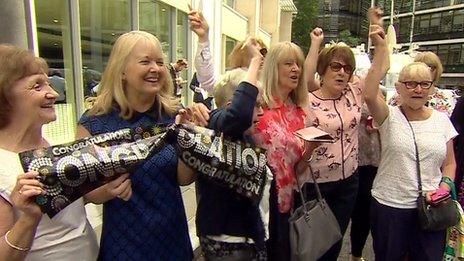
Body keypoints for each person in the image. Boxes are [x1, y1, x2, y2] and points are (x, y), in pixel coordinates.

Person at [76, 31, 208, 260]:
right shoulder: (93, 122)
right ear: (122, 70)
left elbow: (184, 179)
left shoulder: (174, 115)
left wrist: (191, 140)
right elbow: (84, 192)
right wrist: (107, 191)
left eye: (159, 62)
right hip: (123, 244)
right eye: (145, 61)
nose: (155, 68)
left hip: (172, 240)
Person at [364, 22, 457, 260]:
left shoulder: (442, 121)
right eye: (411, 84)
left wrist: (444, 187)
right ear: (399, 87)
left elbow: (449, 163)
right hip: (390, 206)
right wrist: (381, 51)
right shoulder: (388, 116)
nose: (417, 89)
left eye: (424, 84)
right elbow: (368, 93)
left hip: (431, 208)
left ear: (432, 89)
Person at [0, 44, 98, 260]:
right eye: (37, 86)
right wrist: (28, 218)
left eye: (48, 83)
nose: (53, 93)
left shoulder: (52, 146)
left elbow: (67, 216)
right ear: (5, 97)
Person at [196, 39, 268, 260]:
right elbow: (239, 114)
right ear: (231, 106)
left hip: (244, 234)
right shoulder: (217, 123)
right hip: (226, 240)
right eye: (256, 105)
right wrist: (255, 62)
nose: (261, 112)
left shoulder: (245, 135)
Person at [252, 41, 309, 260]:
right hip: (256, 201)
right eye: (288, 63)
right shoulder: (257, 103)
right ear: (273, 67)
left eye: (298, 64)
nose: (296, 69)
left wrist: (310, 149)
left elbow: (300, 168)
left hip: (287, 202)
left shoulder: (300, 111)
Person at [188, 8, 267, 94]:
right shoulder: (234, 80)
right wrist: (203, 39)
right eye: (255, 53)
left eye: (264, 52)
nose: (261, 57)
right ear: (242, 55)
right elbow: (208, 80)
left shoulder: (271, 81)